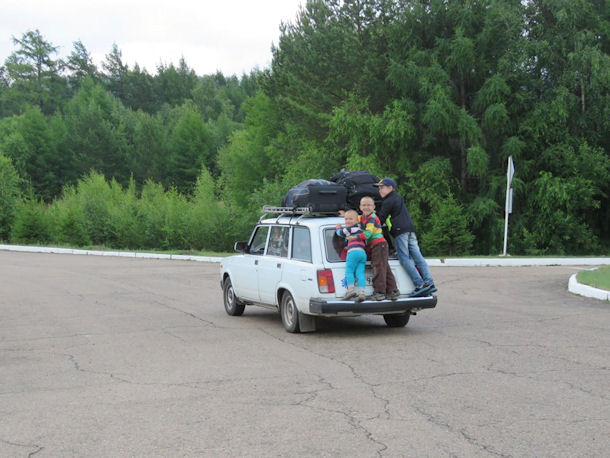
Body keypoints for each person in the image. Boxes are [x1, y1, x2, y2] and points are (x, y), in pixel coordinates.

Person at [375, 177, 437, 297]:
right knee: (418, 257)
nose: (379, 190)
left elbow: (381, 218)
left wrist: (370, 219)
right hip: (410, 230)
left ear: (390, 188)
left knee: (404, 258)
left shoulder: (388, 201)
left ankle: (420, 284)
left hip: (400, 231)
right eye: (379, 188)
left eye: (382, 188)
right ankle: (429, 282)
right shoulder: (398, 197)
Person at [358, 196, 400, 301]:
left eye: (369, 205)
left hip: (378, 245)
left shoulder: (372, 218)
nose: (366, 207)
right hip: (378, 246)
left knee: (378, 268)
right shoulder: (363, 217)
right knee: (385, 268)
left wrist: (355, 236)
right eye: (364, 205)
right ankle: (393, 291)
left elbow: (368, 234)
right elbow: (356, 218)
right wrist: (345, 215)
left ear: (374, 207)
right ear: (360, 207)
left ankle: (379, 292)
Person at [336, 209, 367, 302]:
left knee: (349, 271)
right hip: (362, 253)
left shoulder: (348, 229)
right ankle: (362, 293)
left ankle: (350, 290)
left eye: (350, 219)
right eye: (346, 219)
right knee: (360, 273)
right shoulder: (360, 227)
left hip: (353, 253)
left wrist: (338, 227)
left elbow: (340, 233)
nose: (348, 221)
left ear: (356, 220)